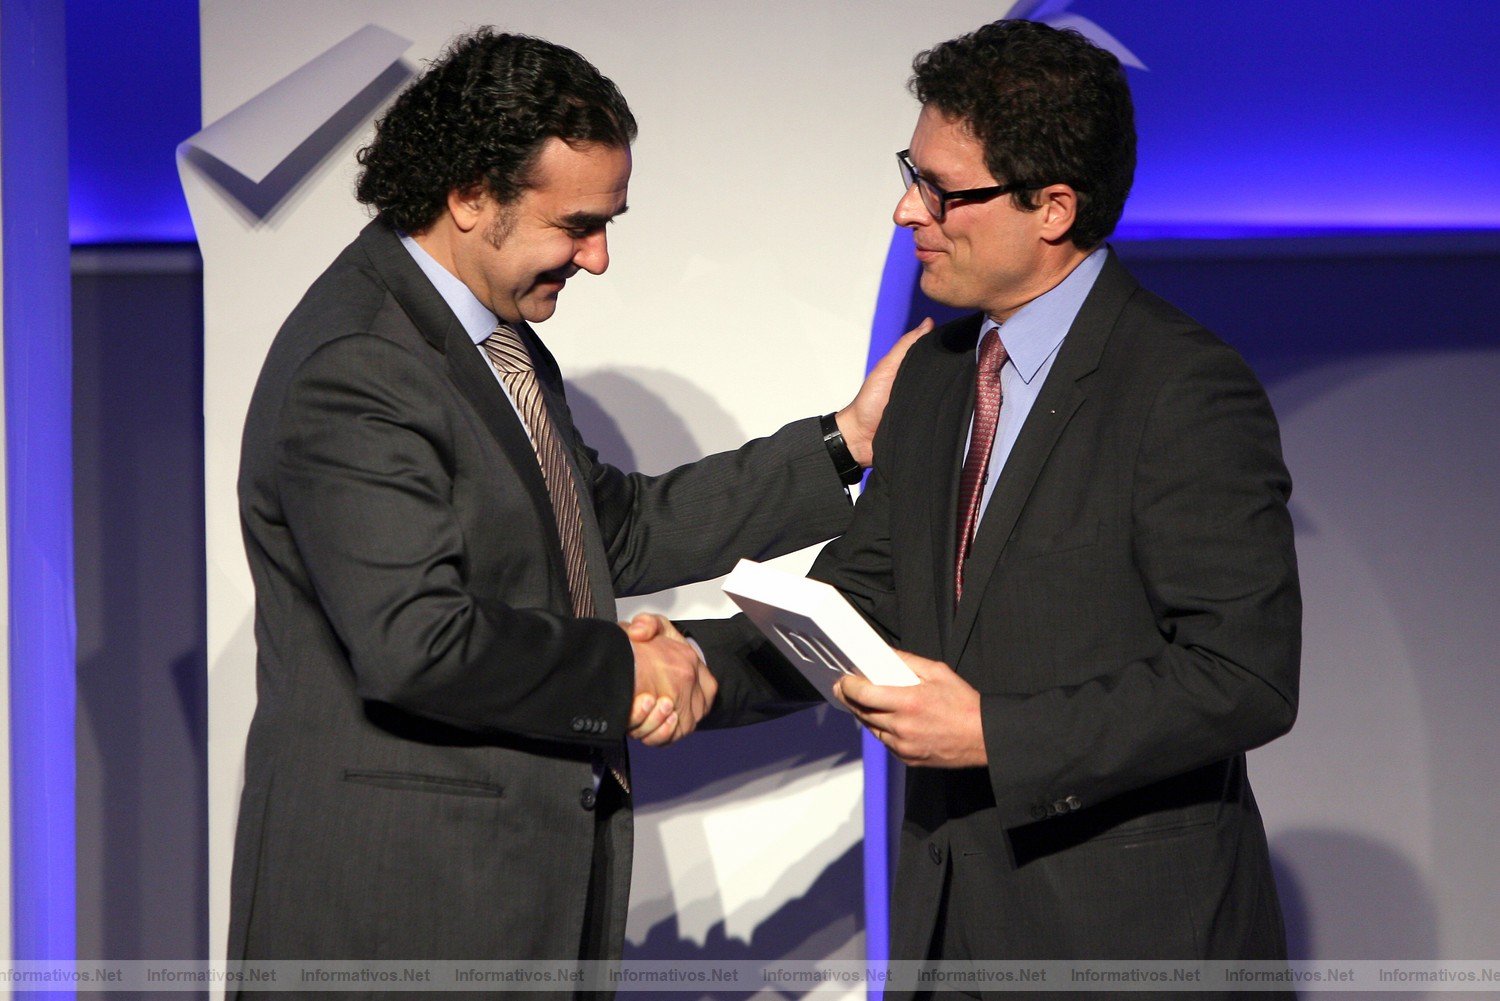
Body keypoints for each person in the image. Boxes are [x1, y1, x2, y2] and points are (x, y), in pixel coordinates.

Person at [229, 28, 925, 977]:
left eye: (609, 223)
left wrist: (848, 441)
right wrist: (627, 673)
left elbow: (607, 531)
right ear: (471, 193)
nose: (597, 259)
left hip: (505, 898)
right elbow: (415, 643)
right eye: (577, 225)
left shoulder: (495, 338)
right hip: (401, 912)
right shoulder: (359, 363)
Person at [678, 18, 1301, 995]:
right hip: (946, 933)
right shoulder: (933, 372)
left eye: (941, 190)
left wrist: (995, 734)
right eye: (909, 171)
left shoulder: (1183, 387)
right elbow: (861, 601)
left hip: (1128, 945)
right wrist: (693, 667)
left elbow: (1243, 675)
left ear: (1052, 208)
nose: (905, 210)